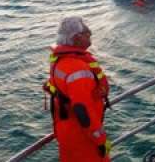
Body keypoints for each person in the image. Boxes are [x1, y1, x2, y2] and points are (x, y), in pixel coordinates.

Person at [43, 16, 111, 162]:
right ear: (77, 38)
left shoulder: (59, 61)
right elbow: (82, 111)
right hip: (83, 139)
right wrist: (100, 140)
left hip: (66, 133)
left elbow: (55, 88)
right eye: (86, 31)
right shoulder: (77, 68)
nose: (90, 32)